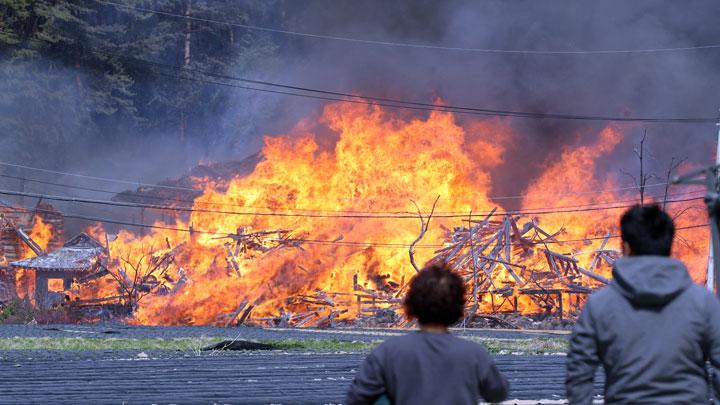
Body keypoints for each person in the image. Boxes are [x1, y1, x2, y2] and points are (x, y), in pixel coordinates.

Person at [566, 204, 720, 404]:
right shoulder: (703, 302)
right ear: (669, 245)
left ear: (625, 247)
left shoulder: (600, 304)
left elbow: (579, 373)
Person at [346, 263, 509, 405]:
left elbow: (357, 397)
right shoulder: (474, 354)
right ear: (459, 309)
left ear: (410, 307)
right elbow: (497, 393)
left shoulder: (388, 351)